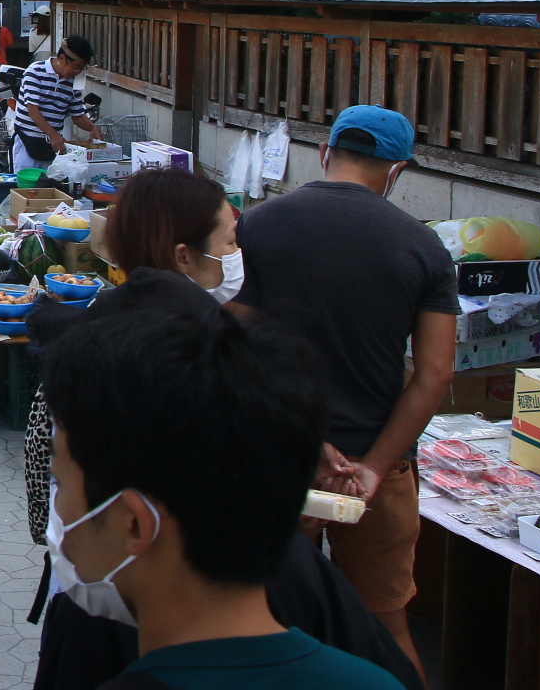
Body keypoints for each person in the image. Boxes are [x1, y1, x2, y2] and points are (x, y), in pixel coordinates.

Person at [24, 272, 420, 690]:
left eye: (60, 485)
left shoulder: (89, 630)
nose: (58, 513)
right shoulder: (373, 676)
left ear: (134, 523)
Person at [231, 105, 456, 680]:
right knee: (386, 623)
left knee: (267, 624)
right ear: (397, 170)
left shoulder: (262, 223)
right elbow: (434, 377)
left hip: (280, 460)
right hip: (375, 471)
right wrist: (375, 469)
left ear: (327, 153)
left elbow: (232, 336)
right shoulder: (423, 249)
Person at [105, 165, 244, 303]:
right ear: (183, 258)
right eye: (231, 242)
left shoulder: (107, 314)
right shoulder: (195, 323)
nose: (238, 251)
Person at [13, 36, 102, 170]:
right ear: (62, 59)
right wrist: (53, 134)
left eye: (81, 69)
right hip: (27, 139)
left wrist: (93, 128)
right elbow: (33, 110)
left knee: (49, 185)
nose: (77, 73)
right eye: (76, 67)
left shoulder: (73, 82)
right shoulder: (35, 71)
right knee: (26, 186)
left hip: (51, 145)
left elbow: (77, 115)